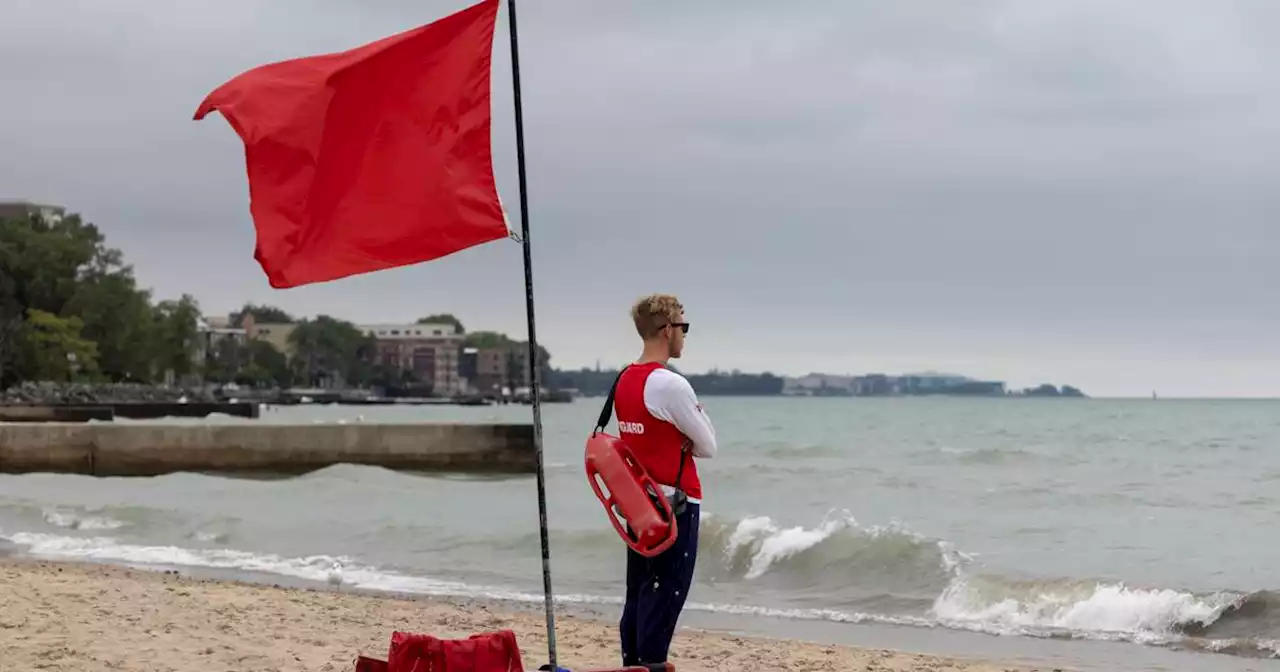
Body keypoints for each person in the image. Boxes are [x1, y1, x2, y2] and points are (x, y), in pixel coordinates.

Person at [613, 293, 717, 667]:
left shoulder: (625, 378)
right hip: (674, 504)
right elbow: (708, 445)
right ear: (667, 329)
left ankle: (633, 664)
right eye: (683, 328)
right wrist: (684, 440)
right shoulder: (669, 385)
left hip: (639, 502)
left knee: (639, 592)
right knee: (666, 594)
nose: (684, 337)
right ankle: (651, 664)